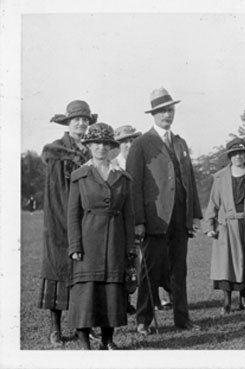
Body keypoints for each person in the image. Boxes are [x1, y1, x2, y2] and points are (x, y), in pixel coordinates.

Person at [127, 87, 203, 335]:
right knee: (149, 270)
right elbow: (134, 185)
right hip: (154, 219)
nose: (167, 115)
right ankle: (143, 320)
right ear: (153, 114)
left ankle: (182, 318)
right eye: (162, 111)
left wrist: (193, 215)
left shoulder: (180, 142)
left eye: (170, 110)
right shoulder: (141, 144)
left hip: (179, 219)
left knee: (179, 271)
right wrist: (138, 220)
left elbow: (188, 180)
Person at [66, 122, 135, 350]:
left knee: (112, 289)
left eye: (106, 143)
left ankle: (108, 340)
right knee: (86, 290)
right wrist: (75, 245)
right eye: (96, 143)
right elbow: (73, 214)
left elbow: (128, 215)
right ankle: (84, 341)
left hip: (115, 240)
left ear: (112, 147)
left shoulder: (122, 177)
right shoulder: (80, 176)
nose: (101, 148)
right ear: (89, 145)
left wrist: (129, 247)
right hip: (87, 242)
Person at [38, 100, 94, 346]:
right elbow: (58, 191)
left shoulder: (92, 150)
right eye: (76, 120)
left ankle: (85, 326)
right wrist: (69, 221)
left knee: (84, 273)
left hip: (87, 219)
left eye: (85, 119)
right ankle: (55, 329)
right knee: (59, 272)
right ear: (68, 123)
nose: (81, 123)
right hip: (61, 219)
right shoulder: (58, 150)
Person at [204, 138, 245, 313]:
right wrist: (208, 226)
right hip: (228, 225)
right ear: (230, 157)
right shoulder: (220, 178)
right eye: (234, 154)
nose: (238, 157)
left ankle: (244, 301)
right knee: (227, 264)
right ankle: (227, 302)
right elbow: (213, 203)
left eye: (241, 153)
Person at [113, 125, 149, 314]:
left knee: (136, 261)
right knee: (119, 261)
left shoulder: (143, 163)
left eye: (131, 140)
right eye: (124, 141)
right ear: (118, 144)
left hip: (137, 220)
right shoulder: (113, 165)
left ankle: (132, 299)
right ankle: (121, 301)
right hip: (118, 221)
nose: (129, 144)